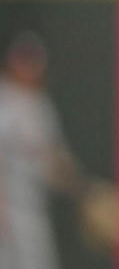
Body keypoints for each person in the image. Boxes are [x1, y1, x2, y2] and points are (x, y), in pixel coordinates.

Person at [0, 32, 79, 269]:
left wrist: (76, 184)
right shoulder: (5, 99)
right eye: (23, 61)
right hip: (9, 206)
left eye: (33, 62)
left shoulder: (40, 105)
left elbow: (52, 159)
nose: (29, 68)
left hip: (33, 206)